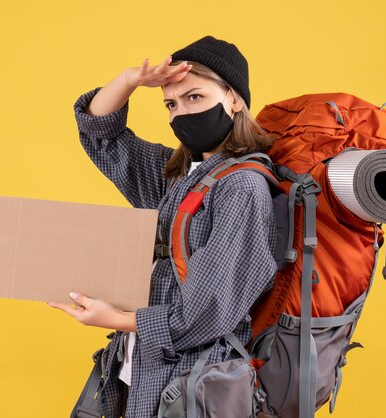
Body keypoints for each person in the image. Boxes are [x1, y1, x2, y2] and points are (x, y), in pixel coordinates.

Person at [48, 35, 278, 418]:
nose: (180, 114)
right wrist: (130, 80)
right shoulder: (173, 177)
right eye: (170, 104)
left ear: (234, 99)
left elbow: (208, 311)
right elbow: (100, 134)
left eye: (195, 98)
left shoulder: (243, 187)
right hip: (137, 370)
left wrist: (115, 319)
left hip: (192, 381)